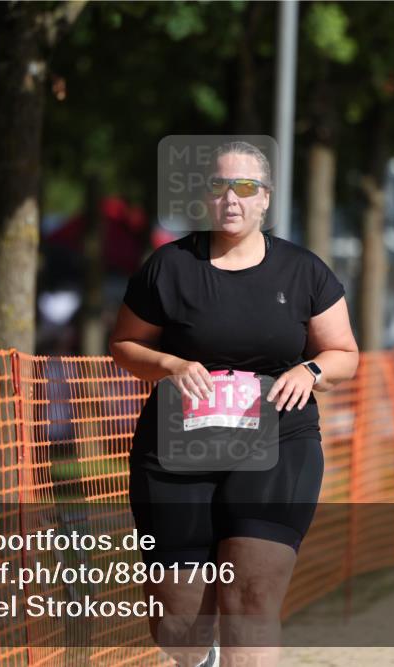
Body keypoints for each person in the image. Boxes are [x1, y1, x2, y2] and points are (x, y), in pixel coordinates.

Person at [109, 141, 359, 667]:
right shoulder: (169, 267)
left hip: (277, 441)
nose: (232, 198)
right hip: (177, 447)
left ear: (265, 198)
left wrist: (309, 370)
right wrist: (170, 366)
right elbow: (124, 344)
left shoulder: (303, 272)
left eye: (246, 187)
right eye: (220, 185)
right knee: (178, 620)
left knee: (251, 596)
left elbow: (343, 354)